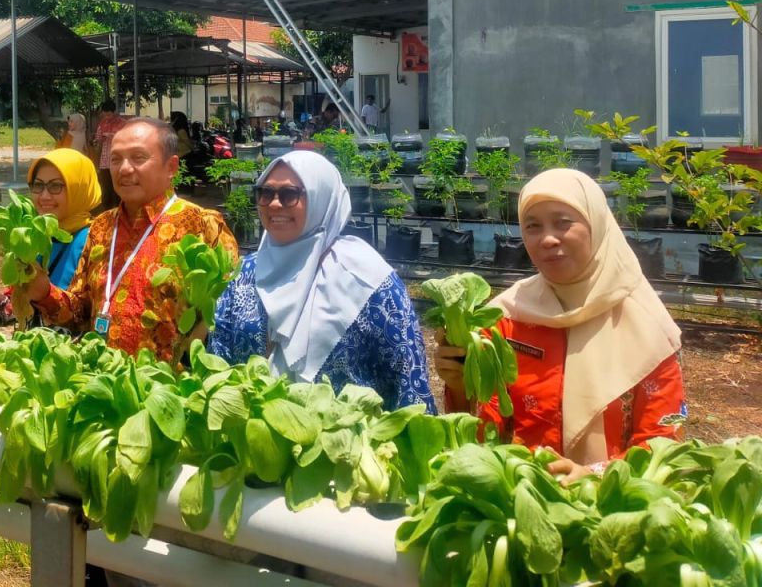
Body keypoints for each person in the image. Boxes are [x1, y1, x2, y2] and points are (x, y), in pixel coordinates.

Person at [434, 168, 685, 482]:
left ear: (597, 224)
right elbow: (483, 432)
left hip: (612, 511)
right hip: (516, 499)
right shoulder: (505, 318)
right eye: (532, 226)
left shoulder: (646, 326)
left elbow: (662, 443)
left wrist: (593, 476)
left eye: (563, 222)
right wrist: (459, 385)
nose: (548, 239)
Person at [208, 151, 435, 410]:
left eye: (289, 195)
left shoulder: (368, 281)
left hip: (348, 445)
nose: (273, 204)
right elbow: (219, 363)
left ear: (321, 199)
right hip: (254, 444)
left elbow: (408, 378)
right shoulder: (244, 275)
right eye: (265, 193)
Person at [21, 118, 238, 363]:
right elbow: (79, 316)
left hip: (168, 391)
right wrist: (44, 292)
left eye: (138, 158)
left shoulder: (202, 225)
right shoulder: (101, 227)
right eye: (115, 159)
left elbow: (229, 314)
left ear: (171, 167)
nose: (124, 169)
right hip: (105, 382)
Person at [27, 148, 102, 290]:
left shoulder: (94, 242)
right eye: (38, 185)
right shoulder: (37, 236)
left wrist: (45, 294)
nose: (44, 196)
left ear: (80, 189)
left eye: (55, 186)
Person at [91, 99, 128, 208]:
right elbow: (97, 140)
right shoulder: (102, 124)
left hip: (118, 158)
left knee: (117, 185)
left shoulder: (122, 123)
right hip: (104, 159)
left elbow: (126, 137)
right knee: (106, 186)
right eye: (105, 113)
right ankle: (106, 208)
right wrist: (98, 140)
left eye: (109, 113)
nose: (107, 115)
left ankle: (119, 207)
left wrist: (113, 136)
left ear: (113, 111)